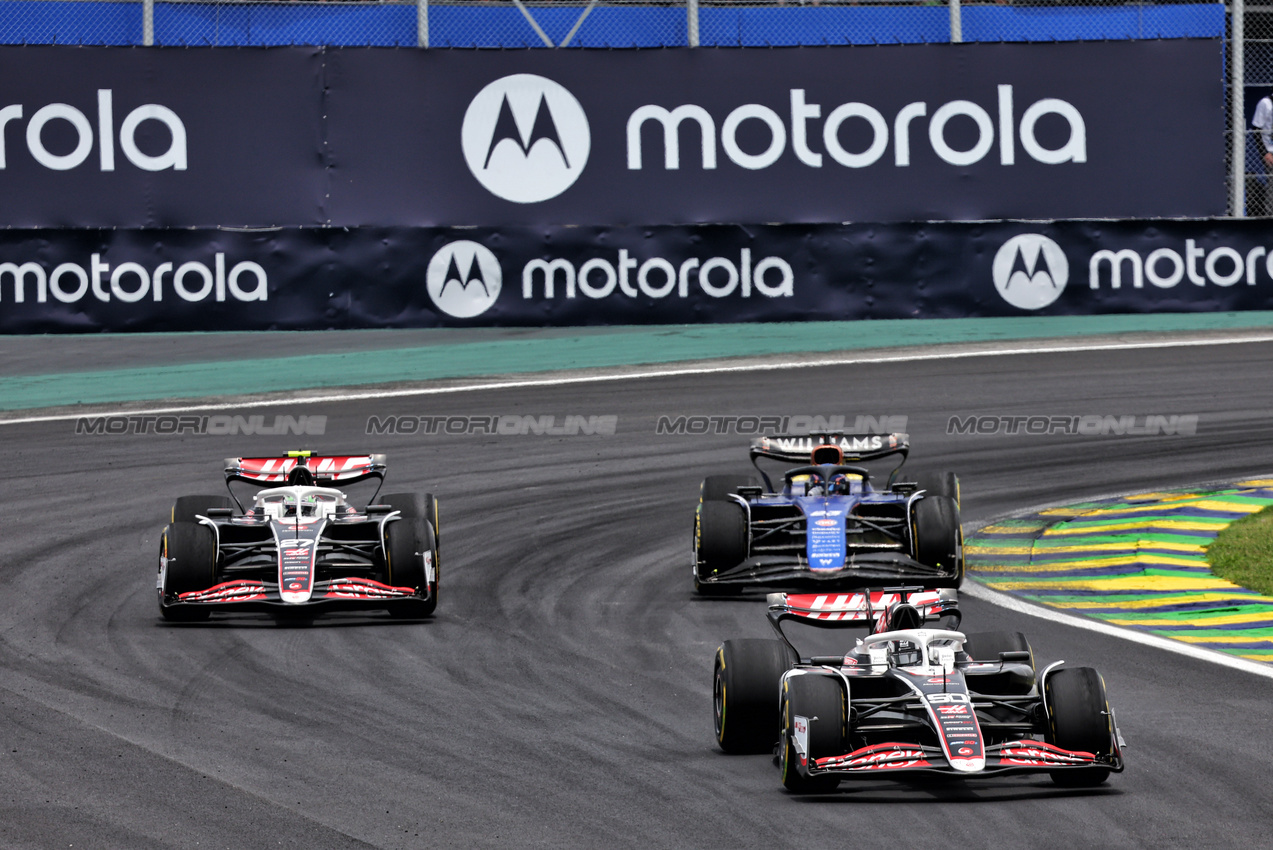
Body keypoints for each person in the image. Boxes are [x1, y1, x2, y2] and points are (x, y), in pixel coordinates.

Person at [1251, 89, 1273, 216]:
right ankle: (1270, 214)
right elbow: (1256, 128)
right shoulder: (1266, 103)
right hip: (1270, 150)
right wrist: (1265, 152)